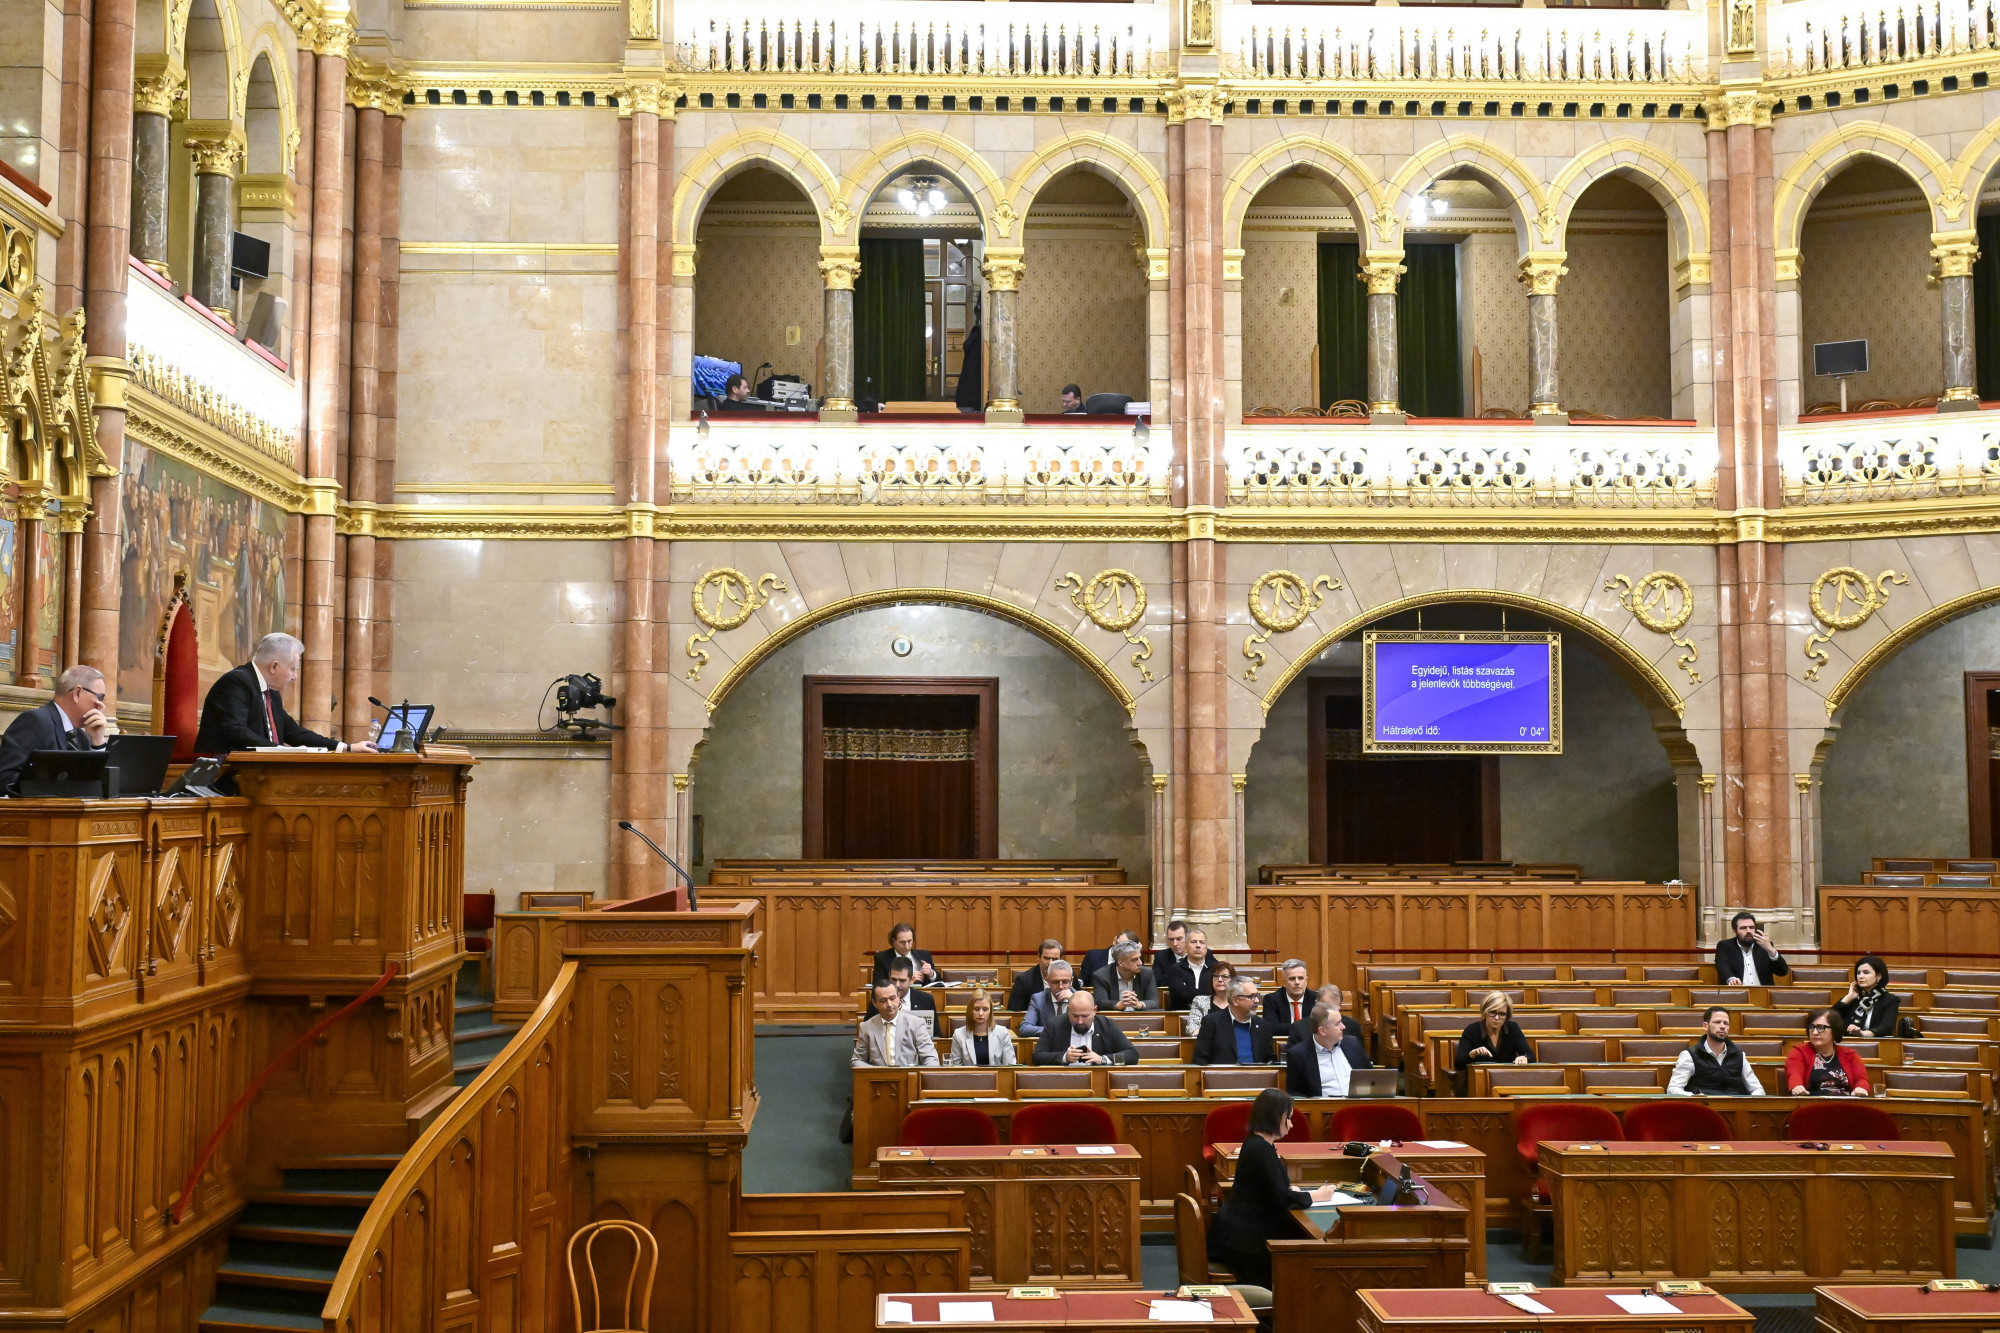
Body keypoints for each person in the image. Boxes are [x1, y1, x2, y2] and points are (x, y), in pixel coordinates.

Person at [1206, 1088, 1342, 1289]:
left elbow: (1269, 1189)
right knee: (1302, 1259)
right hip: (1246, 1243)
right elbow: (1280, 1199)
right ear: (1275, 1117)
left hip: (1240, 1232)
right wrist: (1317, 1195)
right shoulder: (1260, 1148)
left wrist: (1291, 1192)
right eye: (1289, 1118)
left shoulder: (1257, 1142)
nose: (1291, 1124)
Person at [195, 632, 375, 755]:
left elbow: (293, 732)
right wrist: (281, 751)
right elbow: (236, 732)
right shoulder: (236, 682)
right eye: (292, 669)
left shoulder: (271, 692)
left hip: (259, 772)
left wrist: (347, 747)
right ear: (274, 666)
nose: (294, 676)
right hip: (224, 775)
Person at [0, 664, 111, 794]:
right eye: (100, 697)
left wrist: (98, 744)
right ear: (77, 693)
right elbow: (5, 778)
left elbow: (100, 790)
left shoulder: (82, 738)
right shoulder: (34, 722)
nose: (101, 706)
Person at [1666, 1006, 1765, 1096]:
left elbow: (1757, 1089)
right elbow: (1673, 1088)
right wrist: (1694, 1097)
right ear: (1705, 1026)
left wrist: (1751, 1101)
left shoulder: (1739, 1055)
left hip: (1736, 1107)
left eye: (1726, 1023)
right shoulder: (1690, 1055)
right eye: (1717, 1022)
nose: (1722, 1026)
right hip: (1704, 1106)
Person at [1286, 1003, 1374, 1097]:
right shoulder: (1298, 1054)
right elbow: (1295, 1094)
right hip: (1324, 1105)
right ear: (1322, 1031)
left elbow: (1371, 1077)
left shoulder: (1353, 1044)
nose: (1343, 1027)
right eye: (1337, 1023)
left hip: (1357, 1103)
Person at [852, 979, 941, 1068]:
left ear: (898, 997)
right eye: (883, 1000)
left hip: (908, 1075)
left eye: (892, 998)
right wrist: (877, 1072)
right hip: (878, 1076)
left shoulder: (916, 1024)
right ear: (875, 1003)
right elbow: (857, 1060)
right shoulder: (866, 1027)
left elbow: (931, 1058)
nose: (889, 1004)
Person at [1031, 991, 1138, 1065]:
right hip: (1063, 1082)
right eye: (1075, 1016)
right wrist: (1064, 1057)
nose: (1080, 1021)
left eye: (1085, 1016)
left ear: (1094, 1010)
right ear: (1068, 1010)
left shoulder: (1107, 1025)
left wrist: (1103, 1059)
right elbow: (1037, 1057)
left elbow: (1132, 1055)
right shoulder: (1054, 1025)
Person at [1786, 1006, 1872, 1097]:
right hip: (1813, 1102)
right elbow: (1794, 1074)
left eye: (1821, 1027)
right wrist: (1796, 1086)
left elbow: (1861, 1079)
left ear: (1834, 1030)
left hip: (1845, 1103)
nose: (1814, 1032)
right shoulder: (1799, 1052)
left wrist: (1861, 1088)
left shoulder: (1849, 1055)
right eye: (1812, 1027)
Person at [1193, 978, 1277, 1066]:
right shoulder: (1211, 1022)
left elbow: (1270, 1062)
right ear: (1235, 1000)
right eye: (1251, 996)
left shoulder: (1263, 1026)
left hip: (1257, 1074)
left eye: (1257, 995)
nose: (1257, 1001)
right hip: (1222, 1074)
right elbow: (1200, 1061)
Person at [1456, 992, 1533, 1082]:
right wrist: (1472, 1055)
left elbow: (1530, 1055)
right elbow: (1458, 1064)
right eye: (1492, 1012)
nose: (1497, 1018)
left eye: (1502, 1014)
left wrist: (1525, 1057)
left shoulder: (1512, 1028)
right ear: (1485, 1012)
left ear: (1507, 1015)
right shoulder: (1472, 1030)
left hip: (1508, 1079)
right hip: (1481, 1081)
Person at [1715, 911, 1790, 986]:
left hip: (1763, 992)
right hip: (1739, 991)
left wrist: (1771, 950)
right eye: (1743, 928)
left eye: (1751, 927)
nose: (1748, 931)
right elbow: (1722, 966)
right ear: (1735, 931)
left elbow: (1783, 972)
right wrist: (1731, 978)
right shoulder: (1725, 946)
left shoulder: (1765, 946)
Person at [1834, 955, 1902, 1038]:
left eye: (1866, 972)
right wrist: (1849, 997)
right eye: (1858, 973)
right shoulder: (1852, 998)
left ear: (1878, 976)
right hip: (1849, 1042)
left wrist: (1863, 1033)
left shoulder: (1890, 1000)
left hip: (1876, 1042)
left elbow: (1886, 1027)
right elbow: (1827, 1020)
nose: (1860, 976)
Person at [948, 989, 1018, 1067]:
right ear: (970, 1010)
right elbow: (956, 1068)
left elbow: (1009, 1067)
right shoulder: (959, 1035)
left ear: (990, 1011)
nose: (981, 1013)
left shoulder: (1002, 1032)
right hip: (968, 1075)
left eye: (985, 1009)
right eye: (976, 1009)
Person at [1091, 941, 1159, 1011]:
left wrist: (1139, 1004)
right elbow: (1100, 1002)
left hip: (1139, 1017)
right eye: (1134, 960)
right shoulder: (1101, 976)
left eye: (1139, 958)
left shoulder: (1147, 974)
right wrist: (1118, 1005)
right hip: (1113, 1017)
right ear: (1120, 962)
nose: (1140, 963)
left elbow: (1154, 1002)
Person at [1020, 961, 1078, 1038]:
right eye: (1056, 982)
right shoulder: (1038, 999)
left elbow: (1089, 1026)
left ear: (1071, 981)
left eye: (1065, 982)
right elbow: (1025, 1028)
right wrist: (1053, 1030)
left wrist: (1074, 1001)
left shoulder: (1082, 999)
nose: (1061, 986)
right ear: (1048, 981)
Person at [867, 956, 937, 1019]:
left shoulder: (926, 1000)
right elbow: (869, 1027)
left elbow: (934, 1029)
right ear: (889, 976)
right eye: (893, 979)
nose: (897, 985)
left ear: (911, 980)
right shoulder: (879, 1000)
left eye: (902, 980)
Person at [1160, 928, 1212, 1012]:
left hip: (1209, 1014)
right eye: (1193, 942)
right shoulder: (1175, 969)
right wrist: (1209, 994)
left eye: (1202, 942)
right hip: (1181, 1014)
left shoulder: (1215, 970)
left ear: (1206, 947)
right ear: (1186, 946)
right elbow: (1182, 995)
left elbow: (1221, 995)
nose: (1198, 945)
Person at [872, 922, 937, 985]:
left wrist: (931, 974)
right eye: (902, 942)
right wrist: (908, 982)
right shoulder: (882, 958)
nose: (907, 946)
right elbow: (878, 985)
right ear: (893, 941)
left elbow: (939, 983)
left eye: (909, 941)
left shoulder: (925, 955)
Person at [1007, 940, 1064, 1011]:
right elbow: (1015, 1013)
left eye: (1055, 959)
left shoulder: (1068, 978)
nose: (1050, 963)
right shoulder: (1023, 981)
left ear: (1061, 959)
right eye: (1046, 958)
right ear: (1039, 957)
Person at [1184, 959, 1236, 1035]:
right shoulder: (1200, 1001)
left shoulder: (1239, 1002)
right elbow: (1192, 1028)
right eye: (1216, 976)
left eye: (1225, 976)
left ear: (1233, 981)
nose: (1220, 980)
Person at [1261, 960, 1313, 1030]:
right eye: (1292, 979)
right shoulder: (1271, 1000)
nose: (1297, 982)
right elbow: (1271, 1027)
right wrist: (1303, 1028)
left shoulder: (1316, 999)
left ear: (1306, 981)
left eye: (1300, 978)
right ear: (1284, 982)